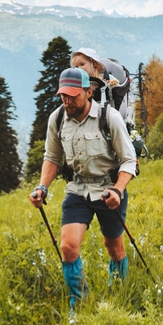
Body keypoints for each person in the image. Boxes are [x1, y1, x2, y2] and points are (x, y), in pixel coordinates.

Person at [28, 59, 137, 311]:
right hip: (78, 190)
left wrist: (118, 190)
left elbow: (129, 161)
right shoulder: (57, 119)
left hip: (109, 190)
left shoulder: (108, 117)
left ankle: (120, 291)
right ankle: (80, 302)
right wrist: (42, 187)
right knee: (68, 246)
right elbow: (52, 158)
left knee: (114, 247)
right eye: (63, 96)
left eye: (73, 96)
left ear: (90, 92)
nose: (67, 101)